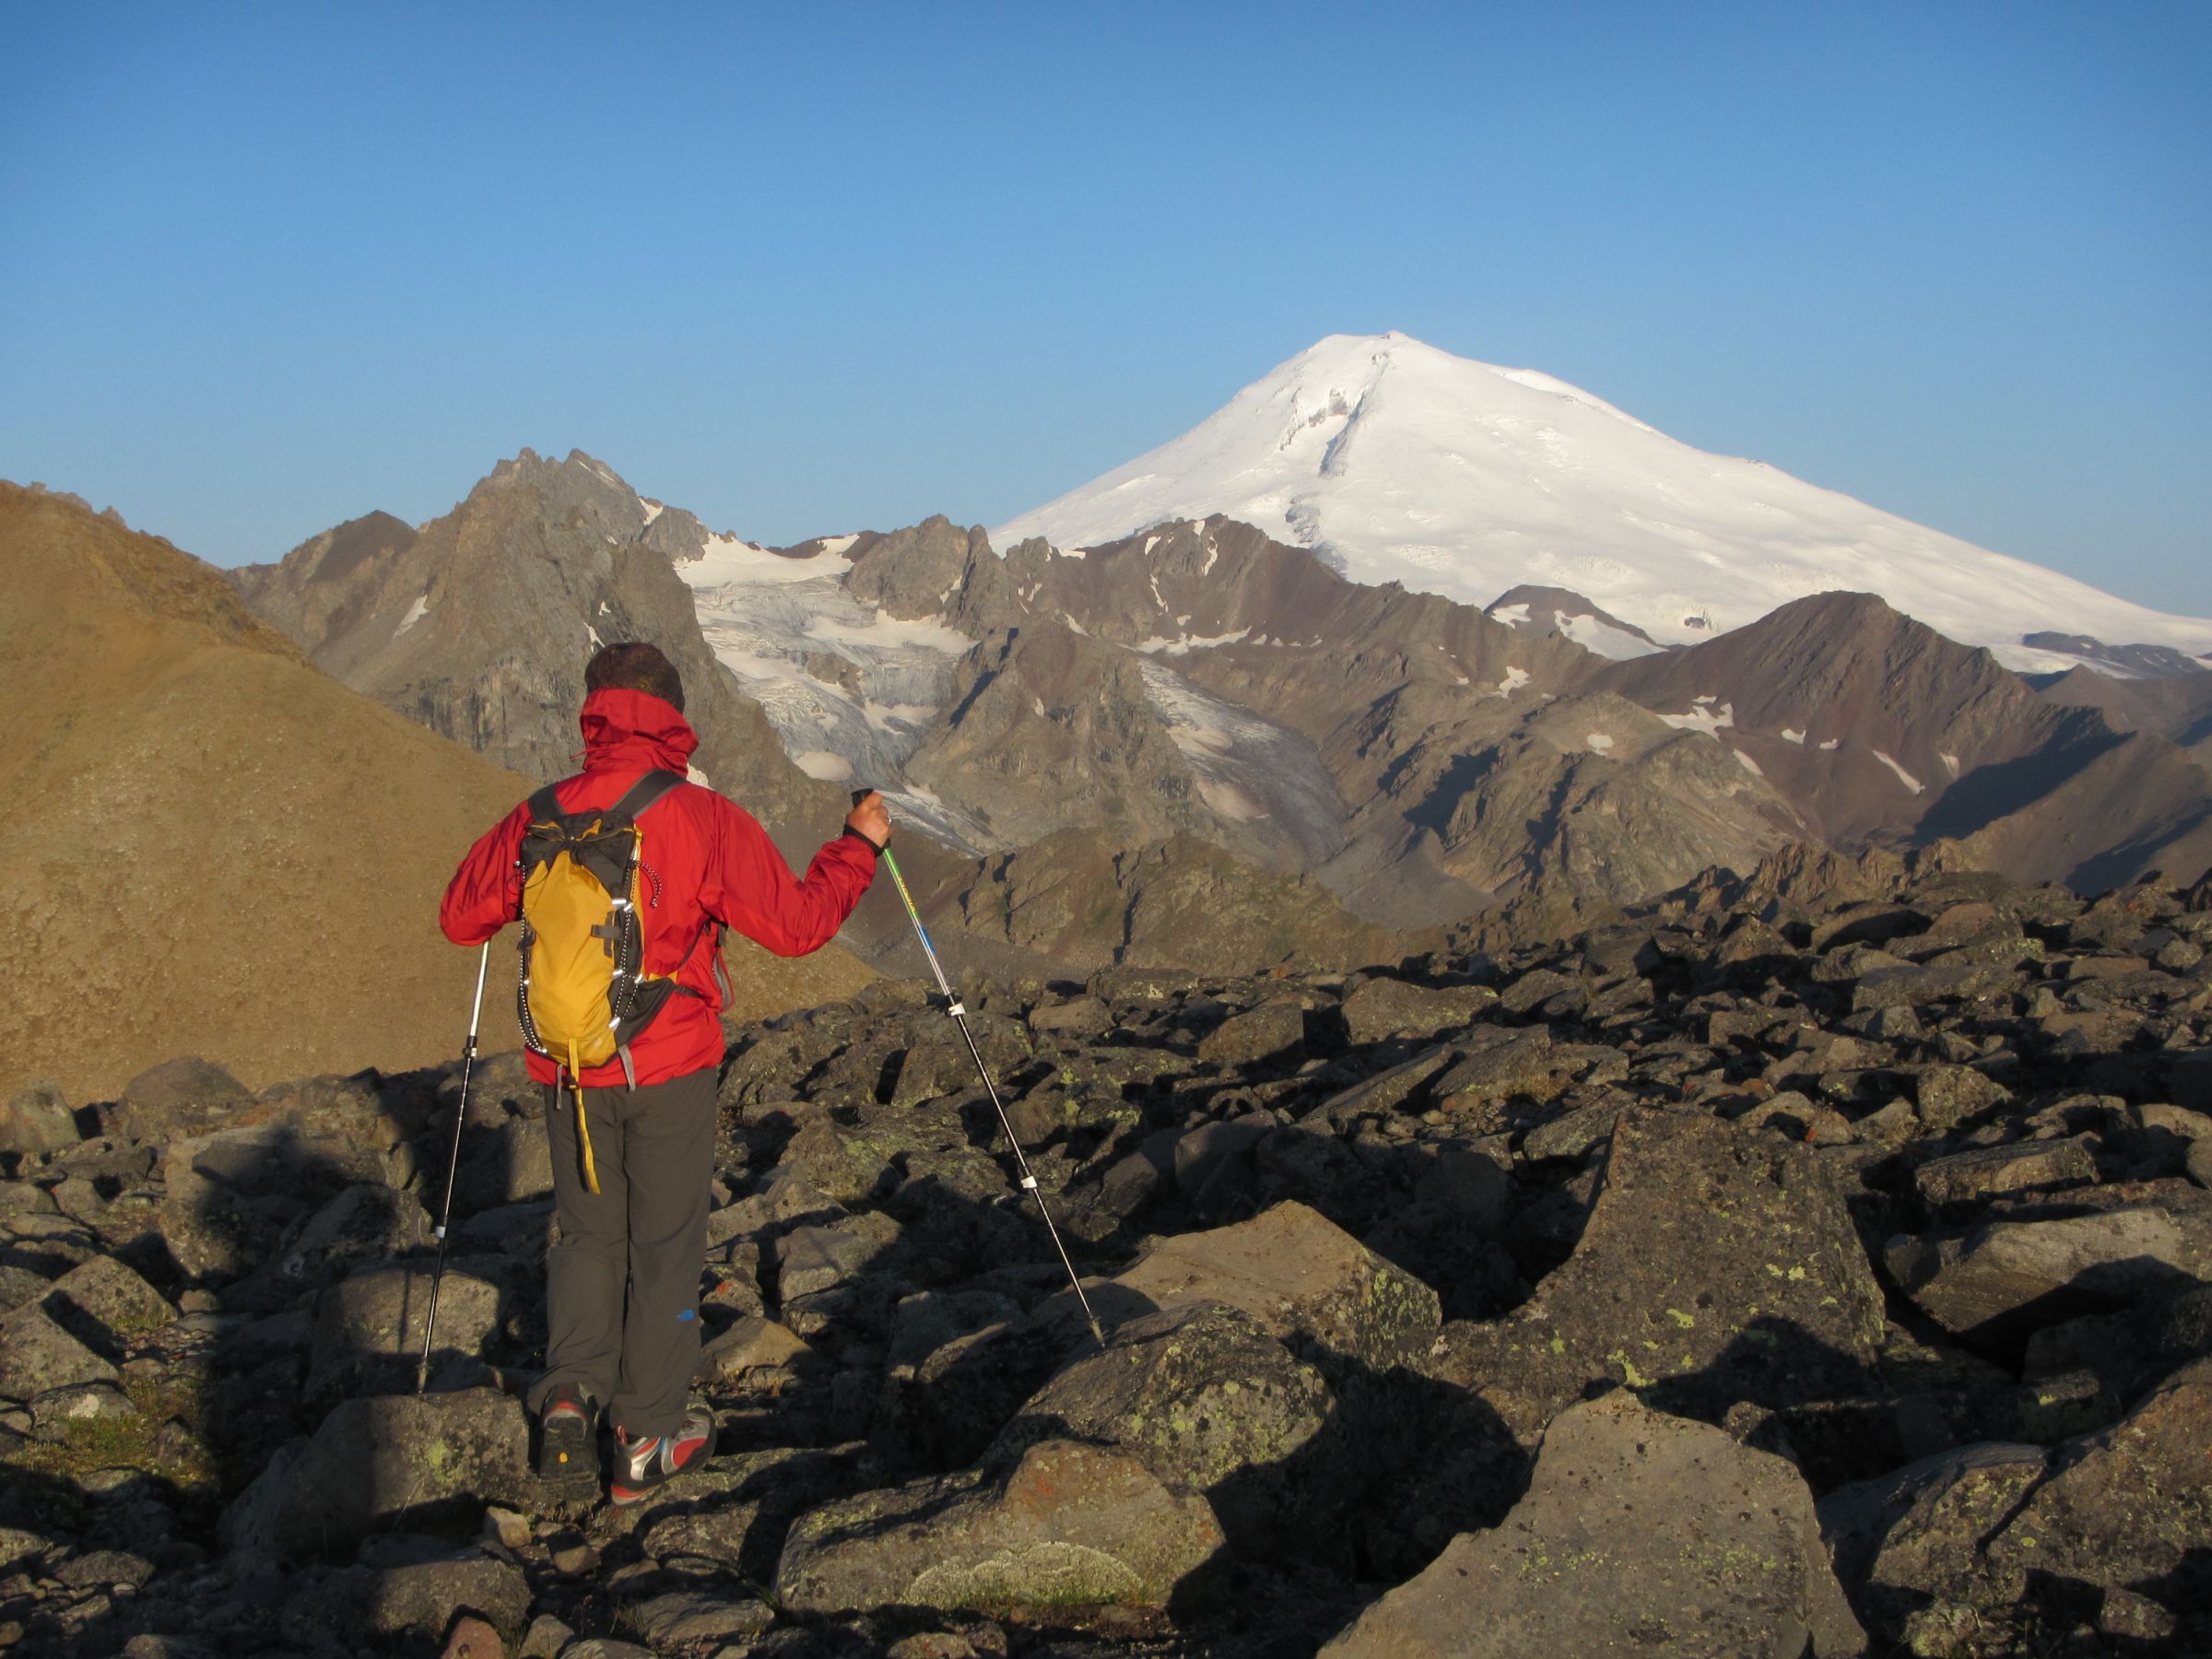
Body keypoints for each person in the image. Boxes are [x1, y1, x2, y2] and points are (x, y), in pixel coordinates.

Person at [440, 641, 886, 1503]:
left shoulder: (541, 813)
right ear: (676, 716)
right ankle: (644, 1438)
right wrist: (857, 848)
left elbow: (463, 918)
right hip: (670, 1067)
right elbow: (795, 927)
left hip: (568, 1067)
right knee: (667, 1245)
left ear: (593, 712)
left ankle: (570, 1399)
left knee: (586, 1232)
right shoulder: (697, 816)